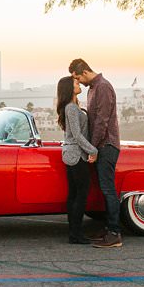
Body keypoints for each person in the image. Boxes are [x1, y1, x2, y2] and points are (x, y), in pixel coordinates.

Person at [72, 58, 122, 248]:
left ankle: (115, 233)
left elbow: (101, 121)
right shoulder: (93, 88)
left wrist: (91, 148)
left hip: (106, 145)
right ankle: (109, 228)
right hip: (100, 145)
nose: (79, 83)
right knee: (103, 188)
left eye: (78, 78)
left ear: (84, 71)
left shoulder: (103, 87)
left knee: (108, 189)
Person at [54, 75, 98, 245]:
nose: (79, 84)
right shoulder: (71, 108)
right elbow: (77, 135)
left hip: (72, 154)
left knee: (73, 195)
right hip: (76, 154)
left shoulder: (72, 107)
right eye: (76, 83)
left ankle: (74, 233)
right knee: (81, 194)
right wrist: (93, 150)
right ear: (69, 88)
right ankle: (76, 234)